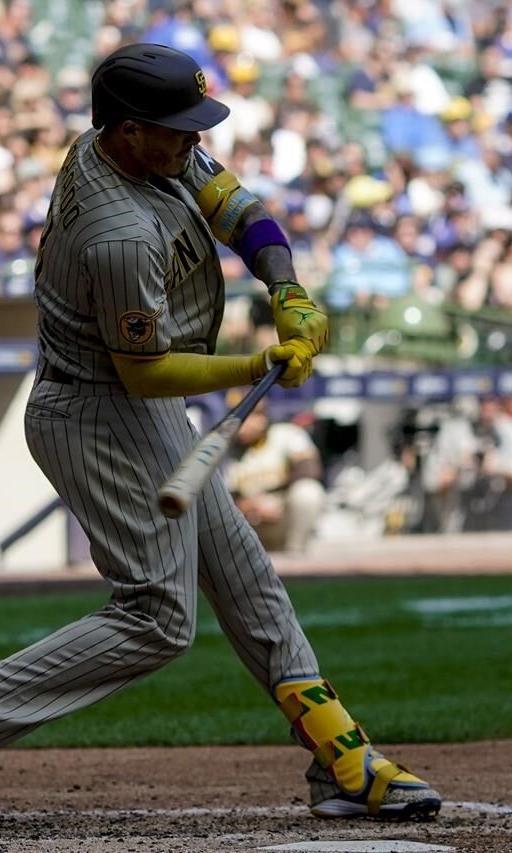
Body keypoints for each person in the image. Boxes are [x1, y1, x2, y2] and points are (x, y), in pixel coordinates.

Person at [2, 44, 440, 822]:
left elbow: (236, 205)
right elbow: (145, 373)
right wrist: (255, 363)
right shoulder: (117, 232)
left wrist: (287, 286)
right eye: (175, 129)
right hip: (96, 414)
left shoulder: (144, 150)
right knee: (159, 617)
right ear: (129, 130)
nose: (192, 141)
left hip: (139, 408)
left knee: (246, 578)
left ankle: (340, 755)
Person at [228, 402, 326, 554]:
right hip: (250, 522)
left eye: (244, 419)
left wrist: (273, 501)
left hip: (281, 514)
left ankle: (296, 553)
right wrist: (251, 505)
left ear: (261, 418)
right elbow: (224, 496)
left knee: (308, 491)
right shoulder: (228, 448)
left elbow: (310, 469)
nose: (239, 426)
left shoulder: (286, 433)